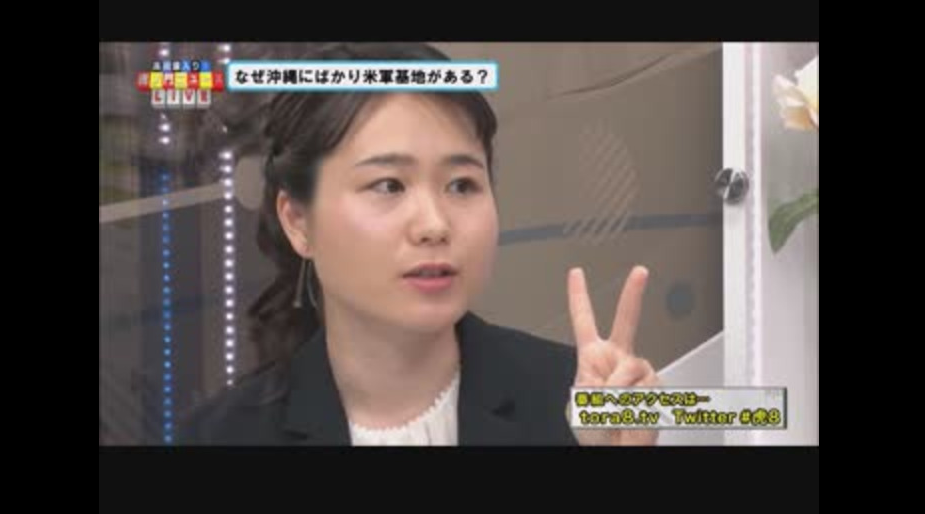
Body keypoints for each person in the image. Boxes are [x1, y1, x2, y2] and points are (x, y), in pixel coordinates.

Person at [177, 42, 660, 446]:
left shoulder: (577, 399)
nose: (434, 224)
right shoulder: (220, 435)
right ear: (298, 221)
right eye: (389, 185)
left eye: (462, 185)